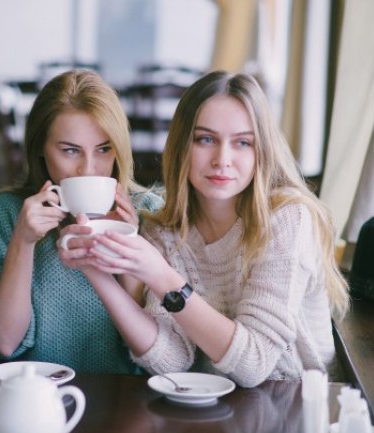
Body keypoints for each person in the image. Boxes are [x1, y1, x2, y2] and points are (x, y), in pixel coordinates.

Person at [59, 70, 349, 387]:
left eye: (242, 143)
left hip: (300, 407)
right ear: (183, 145)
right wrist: (94, 269)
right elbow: (171, 361)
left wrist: (161, 276)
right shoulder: (167, 231)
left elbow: (255, 364)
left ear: (261, 151)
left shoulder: (287, 218)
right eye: (206, 139)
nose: (222, 159)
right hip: (220, 410)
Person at [0, 69, 163, 374]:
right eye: (70, 151)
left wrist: (129, 248)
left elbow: (154, 355)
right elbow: (3, 342)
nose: (88, 169)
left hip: (124, 403)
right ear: (40, 148)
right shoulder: (10, 214)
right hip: (38, 398)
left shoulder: (149, 214)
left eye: (104, 149)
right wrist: (23, 243)